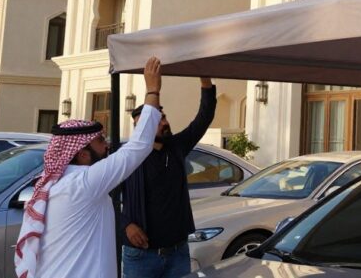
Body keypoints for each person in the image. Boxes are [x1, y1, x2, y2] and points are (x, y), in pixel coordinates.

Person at [14, 57, 164, 278]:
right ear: (83, 154)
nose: (108, 146)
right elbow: (137, 148)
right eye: (101, 141)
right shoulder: (83, 184)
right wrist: (152, 91)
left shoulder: (55, 184)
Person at [120, 70, 217, 278]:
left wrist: (205, 77)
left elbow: (205, 116)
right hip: (141, 257)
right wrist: (126, 225)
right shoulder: (127, 158)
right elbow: (104, 198)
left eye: (163, 118)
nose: (164, 123)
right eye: (157, 121)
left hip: (178, 254)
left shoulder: (177, 146)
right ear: (141, 128)